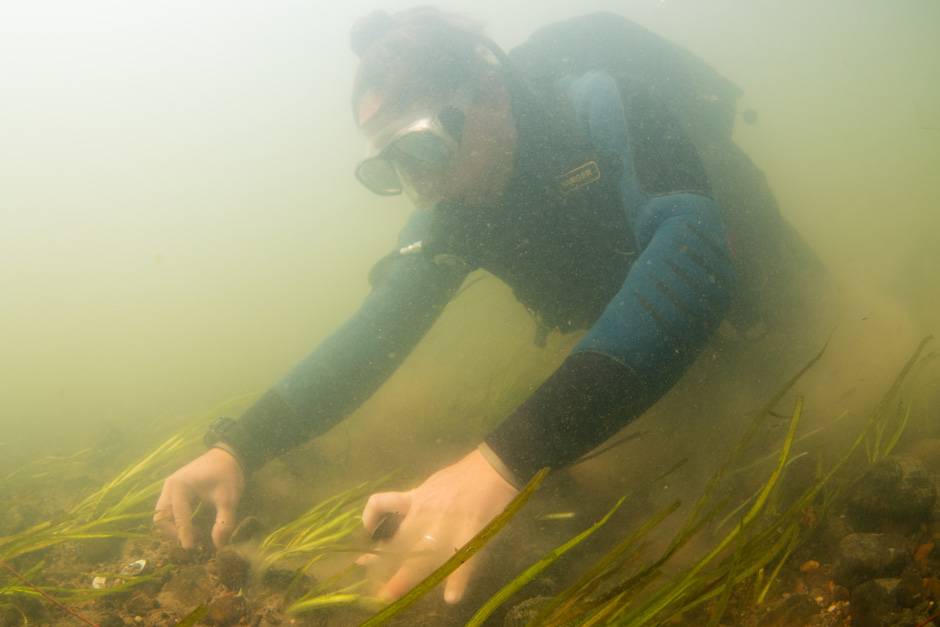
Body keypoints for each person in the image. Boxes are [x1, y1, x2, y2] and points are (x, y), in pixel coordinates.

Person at [155, 8, 820, 605]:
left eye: (423, 147)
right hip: (651, 348)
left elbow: (694, 256)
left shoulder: (595, 103)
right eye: (394, 169)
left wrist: (501, 460)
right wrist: (240, 445)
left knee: (808, 348)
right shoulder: (457, 207)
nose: (423, 184)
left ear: (492, 94)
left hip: (759, 285)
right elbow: (378, 326)